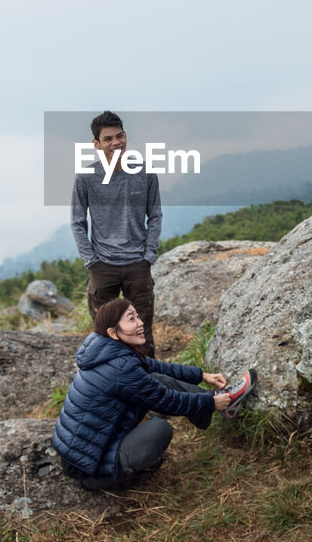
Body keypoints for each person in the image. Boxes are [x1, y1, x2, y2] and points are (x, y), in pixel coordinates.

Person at [52, 298, 257, 490]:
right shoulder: (120, 368)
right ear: (113, 332)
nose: (140, 323)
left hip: (86, 454)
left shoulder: (107, 349)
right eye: (131, 319)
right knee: (159, 429)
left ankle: (226, 403)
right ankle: (224, 403)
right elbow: (167, 401)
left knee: (157, 379)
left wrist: (201, 375)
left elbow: (155, 367)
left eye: (137, 316)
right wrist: (210, 402)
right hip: (90, 469)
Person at [72, 110, 164, 356]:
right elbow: (78, 222)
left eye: (119, 136)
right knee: (106, 336)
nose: (116, 143)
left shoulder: (144, 173)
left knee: (142, 335)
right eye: (108, 139)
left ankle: (149, 386)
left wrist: (148, 256)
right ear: (96, 144)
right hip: (103, 267)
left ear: (126, 136)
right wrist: (92, 261)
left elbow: (155, 215)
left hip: (138, 265)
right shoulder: (86, 177)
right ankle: (113, 388)